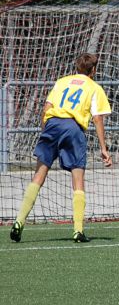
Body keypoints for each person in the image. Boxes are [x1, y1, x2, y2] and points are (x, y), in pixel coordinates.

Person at [10, 53, 112, 243]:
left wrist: (46, 131)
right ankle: (78, 231)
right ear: (94, 70)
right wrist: (104, 148)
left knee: (39, 175)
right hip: (73, 128)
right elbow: (98, 118)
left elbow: (46, 108)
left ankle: (19, 221)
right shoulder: (94, 87)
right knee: (78, 179)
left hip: (52, 124)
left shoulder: (62, 81)